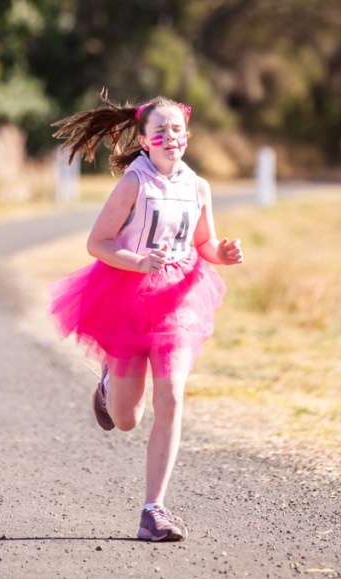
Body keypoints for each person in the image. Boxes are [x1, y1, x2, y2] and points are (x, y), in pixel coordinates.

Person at [49, 91, 244, 542]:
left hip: (178, 298)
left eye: (177, 129)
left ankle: (153, 510)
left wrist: (224, 253)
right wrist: (138, 262)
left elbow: (204, 245)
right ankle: (107, 384)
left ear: (187, 136)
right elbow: (97, 243)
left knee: (172, 395)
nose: (170, 136)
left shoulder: (198, 186)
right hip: (128, 295)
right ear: (145, 139)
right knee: (126, 418)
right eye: (160, 131)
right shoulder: (134, 183)